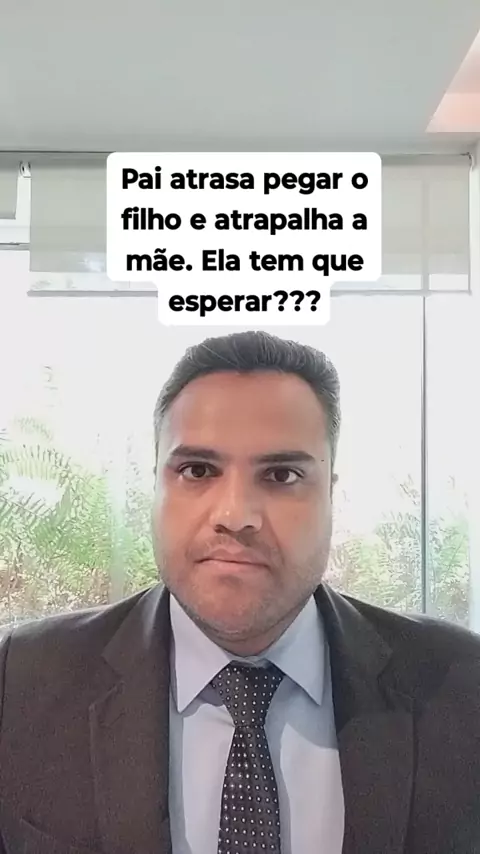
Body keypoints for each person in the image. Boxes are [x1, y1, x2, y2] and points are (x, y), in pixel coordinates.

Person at [0, 330, 479, 854]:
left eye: (281, 474)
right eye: (197, 470)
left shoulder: (462, 684)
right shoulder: (19, 682)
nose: (235, 515)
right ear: (155, 485)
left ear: (330, 495)